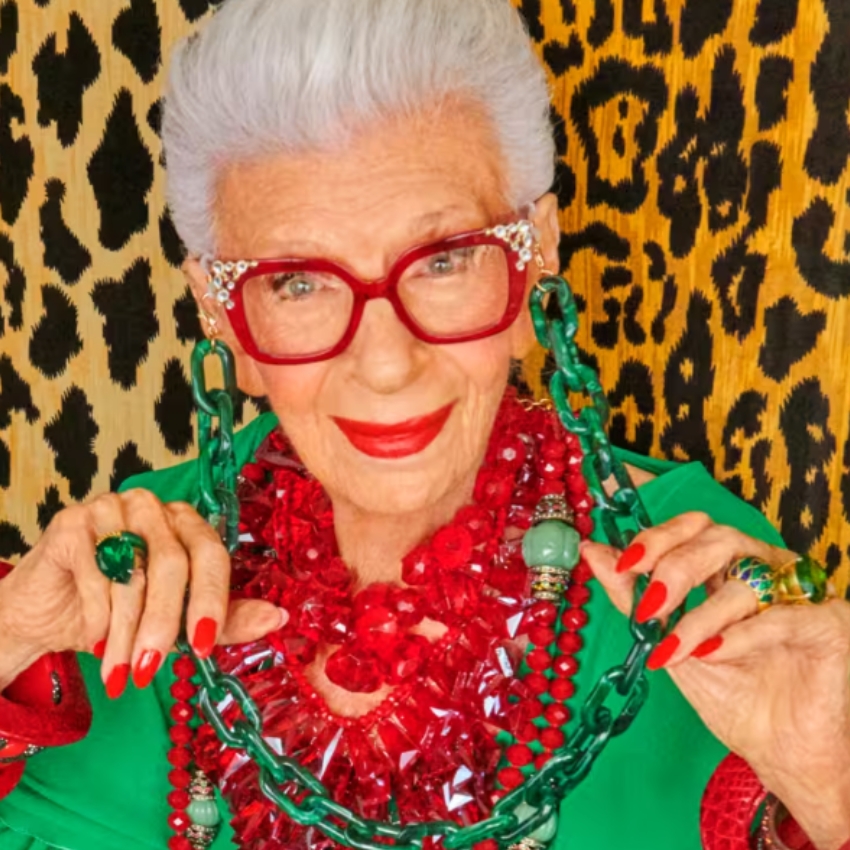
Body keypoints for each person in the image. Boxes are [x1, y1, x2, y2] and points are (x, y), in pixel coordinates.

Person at [0, 1, 848, 849]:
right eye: (300, 282)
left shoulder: (700, 582)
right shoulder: (129, 583)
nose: (385, 361)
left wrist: (831, 786)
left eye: (444, 261)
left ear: (534, 259)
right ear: (220, 315)